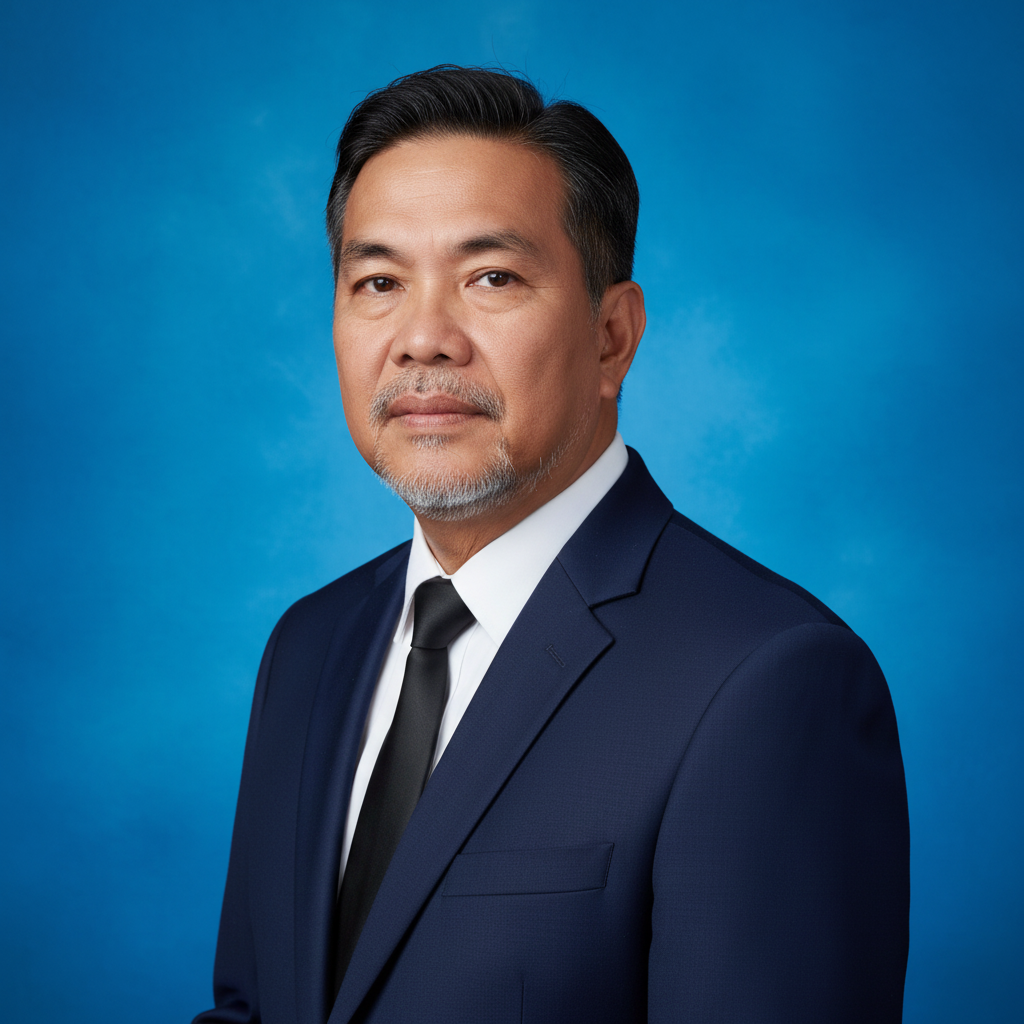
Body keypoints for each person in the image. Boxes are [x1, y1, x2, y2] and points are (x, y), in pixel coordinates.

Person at [194, 66, 909, 1024]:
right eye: (378, 282)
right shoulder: (309, 646)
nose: (422, 339)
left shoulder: (770, 680)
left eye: (492, 277)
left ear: (613, 337)